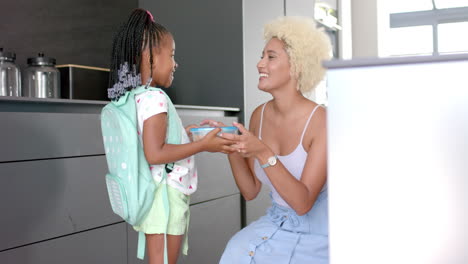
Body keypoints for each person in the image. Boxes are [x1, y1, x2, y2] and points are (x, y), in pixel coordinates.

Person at [107, 9, 235, 264]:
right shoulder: (155, 98)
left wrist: (185, 136)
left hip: (154, 197)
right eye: (172, 55)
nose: (176, 63)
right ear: (149, 57)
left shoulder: (136, 97)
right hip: (164, 198)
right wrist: (201, 145)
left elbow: (151, 141)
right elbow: (155, 153)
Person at [213, 16, 332, 263]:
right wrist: (231, 146)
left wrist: (264, 152)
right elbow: (250, 190)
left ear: (297, 65)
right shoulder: (260, 114)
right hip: (276, 222)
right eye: (262, 56)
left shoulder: (321, 121)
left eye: (271, 57)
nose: (259, 64)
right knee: (234, 254)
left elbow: (302, 203)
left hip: (319, 233)